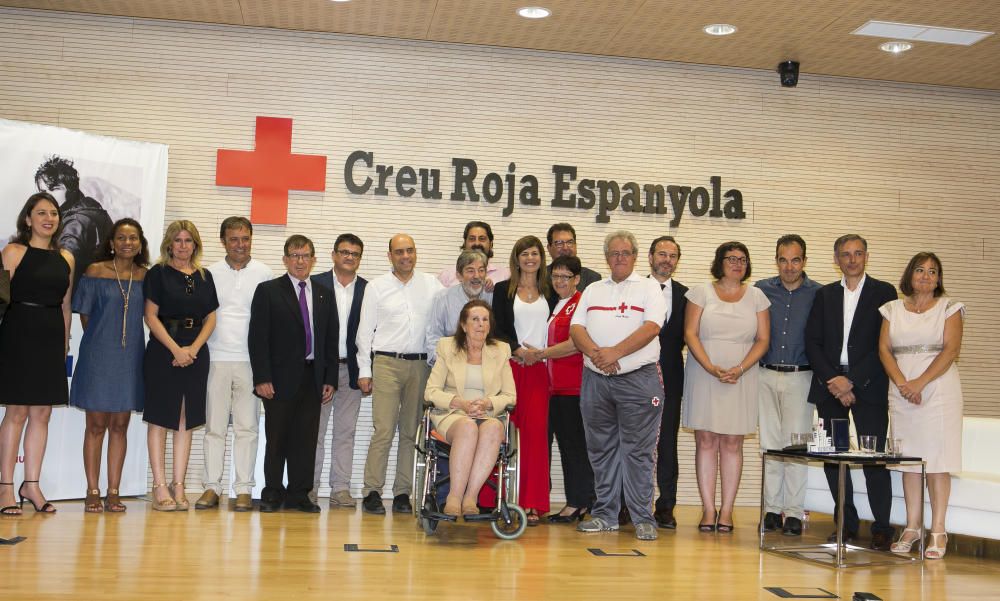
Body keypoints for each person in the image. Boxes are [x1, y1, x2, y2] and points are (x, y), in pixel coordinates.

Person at [569, 230, 666, 541]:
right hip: (596, 380)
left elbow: (652, 327)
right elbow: (576, 328)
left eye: (625, 252)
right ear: (606, 257)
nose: (620, 257)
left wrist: (614, 353)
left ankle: (642, 517)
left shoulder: (650, 288)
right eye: (614, 253)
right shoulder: (593, 289)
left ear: (636, 256)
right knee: (601, 449)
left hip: (638, 381)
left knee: (638, 452)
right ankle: (605, 515)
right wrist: (599, 356)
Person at [805, 234, 898, 551]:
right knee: (834, 459)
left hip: (868, 386)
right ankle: (845, 522)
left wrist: (852, 381)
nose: (852, 259)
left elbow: (884, 344)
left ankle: (883, 528)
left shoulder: (884, 292)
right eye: (845, 254)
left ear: (867, 256)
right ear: (836, 260)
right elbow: (812, 342)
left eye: (858, 253)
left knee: (874, 460)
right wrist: (834, 379)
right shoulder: (824, 295)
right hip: (829, 387)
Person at [879, 252, 964, 559]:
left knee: (936, 460)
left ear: (938, 278)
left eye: (932, 271)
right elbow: (885, 350)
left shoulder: (949, 307)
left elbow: (951, 350)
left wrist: (920, 382)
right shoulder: (891, 309)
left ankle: (938, 530)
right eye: (920, 270)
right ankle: (912, 527)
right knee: (909, 460)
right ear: (909, 275)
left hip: (938, 390)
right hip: (901, 390)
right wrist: (903, 382)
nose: (926, 276)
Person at [682, 241, 770, 534]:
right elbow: (690, 333)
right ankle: (708, 509)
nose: (737, 263)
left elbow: (763, 339)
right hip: (704, 371)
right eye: (731, 258)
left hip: (742, 374)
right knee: (705, 440)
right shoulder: (700, 292)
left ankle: (728, 511)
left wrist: (740, 368)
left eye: (742, 259)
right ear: (719, 261)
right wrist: (709, 366)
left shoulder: (757, 296)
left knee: (733, 443)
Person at [249, 235, 338, 513]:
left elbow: (330, 340)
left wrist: (330, 379)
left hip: (313, 378)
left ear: (314, 259)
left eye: (305, 255)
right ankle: (273, 492)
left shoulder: (324, 292)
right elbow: (257, 338)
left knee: (306, 440)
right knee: (277, 438)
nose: (300, 261)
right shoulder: (268, 291)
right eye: (295, 255)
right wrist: (262, 377)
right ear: (285, 259)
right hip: (277, 379)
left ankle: (300, 493)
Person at [357, 234, 443, 515]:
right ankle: (372, 491)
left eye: (409, 251)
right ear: (389, 256)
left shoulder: (431, 284)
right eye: (399, 252)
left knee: (410, 433)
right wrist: (363, 370)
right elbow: (364, 332)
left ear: (415, 253)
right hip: (386, 364)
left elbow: (455, 302)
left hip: (421, 366)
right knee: (383, 429)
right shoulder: (376, 286)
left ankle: (402, 493)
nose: (405, 256)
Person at [0, 192, 74, 515]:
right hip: (18, 335)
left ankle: (31, 484)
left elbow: (66, 306)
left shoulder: (67, 258)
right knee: (16, 413)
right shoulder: (13, 252)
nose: (49, 218)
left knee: (42, 414)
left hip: (50, 337)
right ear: (28, 219)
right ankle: (4, 487)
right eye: (41, 213)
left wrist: (65, 343)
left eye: (54, 213)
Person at [70, 218, 149, 513]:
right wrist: (105, 340)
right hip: (98, 356)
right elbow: (86, 316)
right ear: (112, 242)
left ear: (140, 244)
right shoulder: (95, 271)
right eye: (121, 238)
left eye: (133, 238)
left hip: (130, 359)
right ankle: (92, 490)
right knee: (96, 425)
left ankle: (114, 491)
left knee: (120, 425)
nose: (127, 243)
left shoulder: (146, 276)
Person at [195, 217, 273, 512]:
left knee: (248, 428)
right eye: (234, 239)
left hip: (250, 362)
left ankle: (242, 489)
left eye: (245, 238)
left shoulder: (264, 273)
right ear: (223, 241)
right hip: (215, 359)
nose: (240, 244)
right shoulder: (208, 273)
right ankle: (211, 488)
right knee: (214, 427)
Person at [143, 220, 218, 511]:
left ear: (195, 244)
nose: (183, 246)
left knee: (186, 419)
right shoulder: (157, 274)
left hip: (196, 351)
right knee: (161, 418)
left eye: (188, 240)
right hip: (164, 350)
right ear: (169, 244)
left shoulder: (204, 276)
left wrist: (193, 349)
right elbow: (151, 316)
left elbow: (211, 318)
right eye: (178, 240)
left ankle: (179, 484)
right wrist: (176, 349)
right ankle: (159, 486)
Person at [755, 235, 821, 536]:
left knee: (795, 445)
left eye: (795, 260)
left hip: (801, 376)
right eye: (783, 260)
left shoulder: (819, 294)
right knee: (769, 444)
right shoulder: (761, 290)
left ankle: (793, 512)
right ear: (776, 261)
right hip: (765, 374)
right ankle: (770, 510)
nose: (789, 266)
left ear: (804, 261)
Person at [424, 300, 516, 517]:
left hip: (487, 414)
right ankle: (454, 496)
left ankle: (471, 496)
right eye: (475, 319)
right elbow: (431, 392)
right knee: (467, 427)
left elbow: (511, 396)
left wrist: (488, 403)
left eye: (485, 320)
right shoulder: (447, 347)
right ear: (464, 325)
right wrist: (461, 403)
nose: (480, 324)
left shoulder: (501, 350)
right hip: (453, 414)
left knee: (494, 429)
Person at [492, 235, 556, 525]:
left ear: (542, 258)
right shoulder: (504, 290)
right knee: (505, 433)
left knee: (535, 436)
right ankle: (501, 499)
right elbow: (498, 328)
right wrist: (518, 350)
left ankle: (533, 503)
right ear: (516, 258)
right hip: (510, 367)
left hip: (540, 370)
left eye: (535, 253)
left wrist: (539, 354)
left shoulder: (551, 291)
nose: (530, 258)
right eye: (524, 253)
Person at [311, 233, 367, 508]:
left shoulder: (369, 289)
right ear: (334, 255)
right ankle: (309, 486)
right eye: (344, 252)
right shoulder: (314, 283)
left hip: (353, 370)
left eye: (355, 254)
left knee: (346, 432)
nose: (349, 257)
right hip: (320, 371)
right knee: (315, 431)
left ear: (360, 258)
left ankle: (341, 488)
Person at [544, 255, 594, 523]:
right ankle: (578, 500)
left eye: (565, 277)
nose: (559, 281)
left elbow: (576, 343)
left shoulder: (580, 303)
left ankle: (578, 502)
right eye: (555, 276)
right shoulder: (558, 304)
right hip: (556, 387)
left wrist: (541, 353)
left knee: (575, 446)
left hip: (574, 386)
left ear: (577, 279)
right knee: (567, 445)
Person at [648, 236, 688, 529]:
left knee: (667, 445)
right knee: (634, 443)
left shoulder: (688, 296)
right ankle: (630, 503)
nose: (666, 260)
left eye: (672, 255)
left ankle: (665, 506)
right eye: (662, 254)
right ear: (650, 257)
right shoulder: (635, 289)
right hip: (636, 376)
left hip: (672, 378)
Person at [34, 156, 112, 287]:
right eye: (43, 191)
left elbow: (61, 270)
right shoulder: (92, 209)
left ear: (70, 188)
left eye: (54, 189)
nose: (47, 196)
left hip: (74, 298)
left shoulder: (76, 222)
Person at [427, 250, 492, 363]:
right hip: (451, 363)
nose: (476, 276)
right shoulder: (443, 299)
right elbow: (433, 336)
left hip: (485, 365)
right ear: (459, 275)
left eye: (481, 270)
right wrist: (442, 362)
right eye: (470, 271)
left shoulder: (492, 296)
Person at [437, 221, 509, 288]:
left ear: (490, 243)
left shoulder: (505, 276)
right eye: (472, 239)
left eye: (482, 239)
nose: (477, 243)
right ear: (465, 243)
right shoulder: (446, 276)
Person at [546, 223, 601, 291]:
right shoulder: (539, 276)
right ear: (549, 248)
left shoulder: (592, 279)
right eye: (559, 243)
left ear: (575, 246)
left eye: (570, 242)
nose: (565, 248)